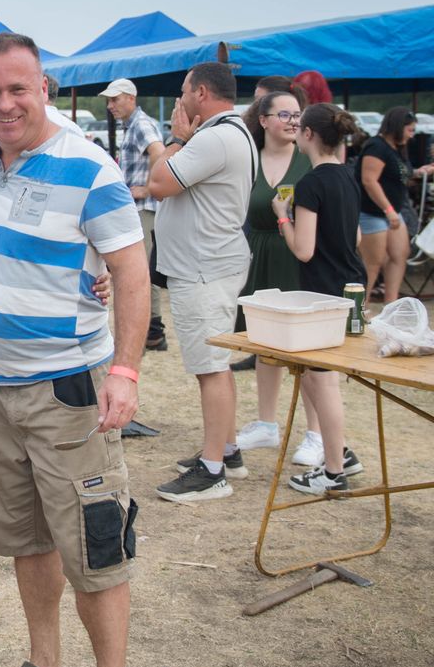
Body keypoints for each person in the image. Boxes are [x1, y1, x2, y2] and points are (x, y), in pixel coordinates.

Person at [0, 33, 147, 667]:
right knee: (29, 539)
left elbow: (133, 273)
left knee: (94, 548)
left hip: (68, 390)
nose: (4, 104)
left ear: (46, 88)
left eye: (18, 89)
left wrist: (126, 371)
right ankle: (46, 666)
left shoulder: (90, 167)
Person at [148, 61, 257, 502]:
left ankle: (213, 471)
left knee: (210, 368)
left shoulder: (213, 137)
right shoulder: (232, 132)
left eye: (183, 92)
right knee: (215, 364)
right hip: (210, 263)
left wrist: (175, 138)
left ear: (202, 94)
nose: (180, 101)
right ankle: (226, 451)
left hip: (204, 267)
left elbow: (159, 182)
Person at [273, 103, 368, 492]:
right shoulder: (347, 176)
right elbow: (357, 238)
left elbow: (304, 250)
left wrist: (283, 216)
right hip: (351, 286)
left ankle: (332, 472)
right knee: (314, 376)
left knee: (322, 380)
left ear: (307, 135)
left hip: (323, 292)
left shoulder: (311, 184)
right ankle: (339, 451)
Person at [233, 92, 326, 467]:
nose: (292, 121)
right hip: (257, 255)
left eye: (296, 115)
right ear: (264, 119)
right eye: (284, 114)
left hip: (299, 259)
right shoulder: (248, 160)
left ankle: (317, 434)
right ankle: (266, 424)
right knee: (264, 343)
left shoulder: (309, 159)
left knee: (307, 352)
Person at [102, 77, 167, 351]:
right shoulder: (135, 124)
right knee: (137, 271)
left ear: (131, 98)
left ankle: (152, 332)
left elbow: (159, 152)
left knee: (134, 272)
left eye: (115, 99)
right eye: (109, 100)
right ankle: (153, 332)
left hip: (142, 210)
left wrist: (149, 187)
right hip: (139, 209)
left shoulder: (140, 124)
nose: (110, 105)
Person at [357, 108, 434, 304]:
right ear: (398, 127)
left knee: (400, 254)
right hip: (372, 212)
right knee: (373, 263)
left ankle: (391, 303)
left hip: (392, 212)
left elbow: (398, 174)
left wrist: (418, 172)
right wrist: (388, 210)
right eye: (410, 129)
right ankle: (360, 306)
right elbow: (369, 181)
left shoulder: (396, 149)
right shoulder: (376, 147)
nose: (412, 134)